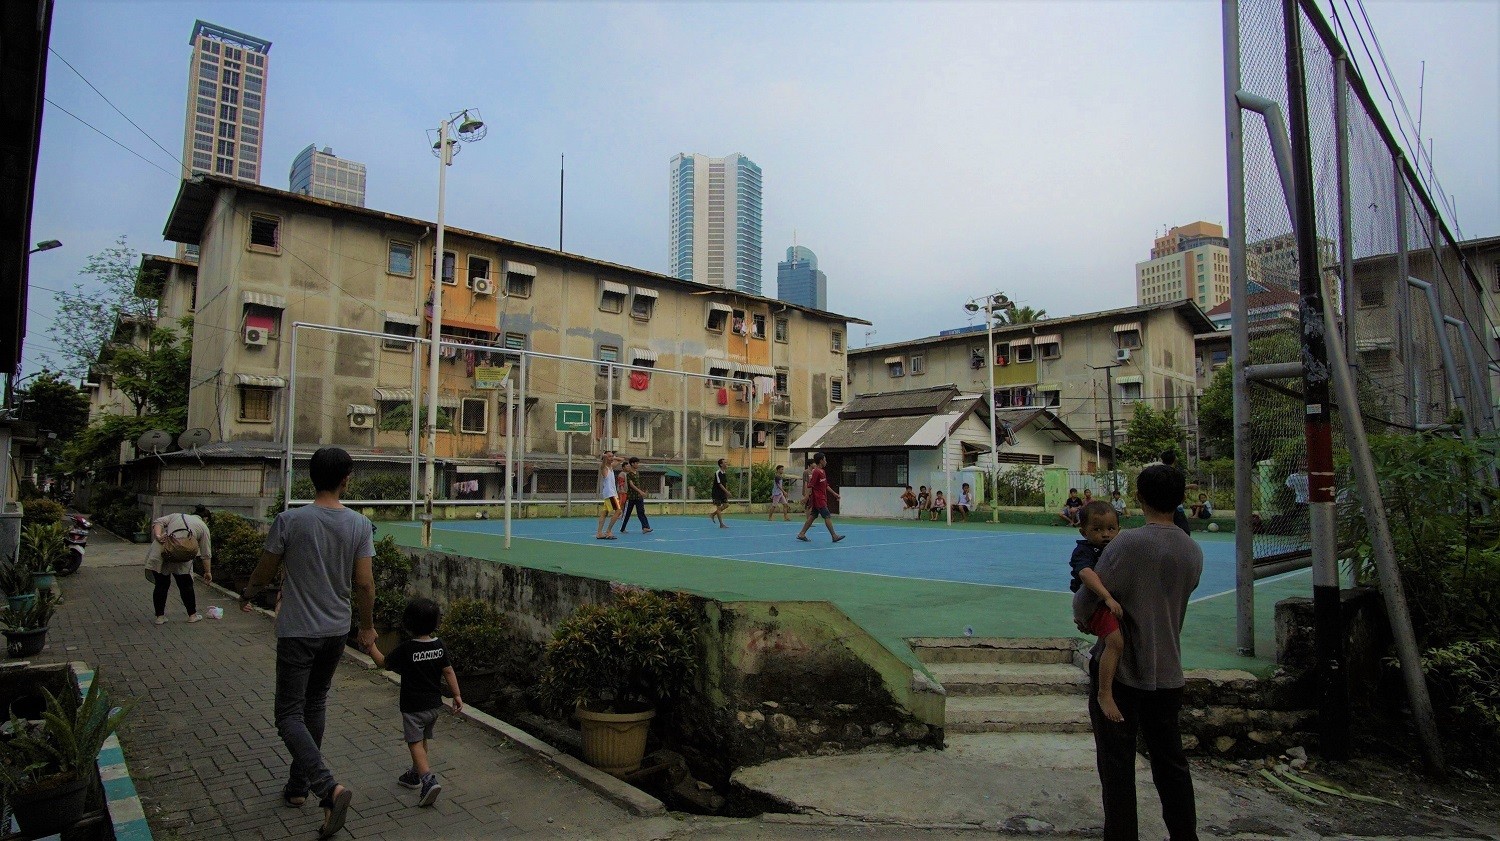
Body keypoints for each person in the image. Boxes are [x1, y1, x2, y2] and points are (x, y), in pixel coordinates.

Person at [242, 446, 375, 840]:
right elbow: (364, 583)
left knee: (288, 714)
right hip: (335, 630)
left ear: (310, 477)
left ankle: (325, 787)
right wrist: (366, 628)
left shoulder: (289, 520)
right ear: (345, 479)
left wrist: (248, 593)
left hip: (298, 630)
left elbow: (264, 572)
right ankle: (297, 788)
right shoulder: (358, 524)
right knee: (314, 704)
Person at [1073, 463, 1203, 841]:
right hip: (1169, 669)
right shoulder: (1192, 550)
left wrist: (1089, 617)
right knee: (1171, 762)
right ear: (1181, 499)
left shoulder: (1127, 543)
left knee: (1116, 763)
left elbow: (1085, 603)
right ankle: (1184, 835)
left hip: (1124, 672)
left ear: (1139, 497)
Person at [365, 598, 463, 809]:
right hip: (434, 706)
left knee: (414, 742)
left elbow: (383, 663)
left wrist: (370, 646)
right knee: (422, 738)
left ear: (407, 624)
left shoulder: (407, 648)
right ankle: (414, 774)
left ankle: (428, 780)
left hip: (413, 707)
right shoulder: (439, 646)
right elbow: (448, 670)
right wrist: (456, 695)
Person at [1068, 501, 1125, 723]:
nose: (1105, 535)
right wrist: (1107, 597)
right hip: (1093, 603)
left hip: (1104, 603)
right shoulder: (1084, 550)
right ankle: (1105, 693)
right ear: (1084, 531)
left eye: (1111, 529)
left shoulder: (1118, 547)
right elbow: (1085, 574)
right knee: (1116, 642)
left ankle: (1101, 659)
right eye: (1097, 529)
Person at [145, 510, 212, 625]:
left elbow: (157, 522)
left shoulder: (176, 516)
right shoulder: (203, 526)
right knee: (185, 585)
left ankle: (160, 617)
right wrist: (207, 572)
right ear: (205, 519)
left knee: (161, 585)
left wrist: (158, 536)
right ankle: (192, 615)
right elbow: (206, 554)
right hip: (182, 556)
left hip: (163, 551)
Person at [795, 452, 844, 543]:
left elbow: (825, 485)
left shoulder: (822, 471)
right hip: (818, 499)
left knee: (813, 516)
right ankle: (834, 536)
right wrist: (806, 497)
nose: (826, 461)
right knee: (827, 516)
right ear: (821, 461)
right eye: (825, 459)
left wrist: (834, 493)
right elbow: (811, 485)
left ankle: (802, 533)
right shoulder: (816, 471)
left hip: (821, 498)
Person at [1159, 450, 1193, 536]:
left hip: (1162, 508)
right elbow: (1178, 489)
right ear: (1174, 459)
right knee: (1185, 532)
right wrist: (1189, 487)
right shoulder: (1176, 474)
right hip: (1175, 508)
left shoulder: (1159, 474)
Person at [619, 457, 653, 534]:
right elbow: (631, 485)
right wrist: (640, 491)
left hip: (638, 497)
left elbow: (638, 484)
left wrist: (642, 491)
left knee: (641, 512)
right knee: (627, 513)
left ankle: (645, 527)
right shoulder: (629, 474)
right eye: (636, 463)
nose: (637, 464)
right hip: (631, 497)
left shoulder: (637, 473)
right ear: (632, 464)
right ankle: (622, 528)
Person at [595, 451, 622, 539]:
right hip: (610, 494)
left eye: (612, 456)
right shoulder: (604, 467)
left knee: (604, 513)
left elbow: (622, 460)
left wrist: (611, 457)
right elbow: (603, 462)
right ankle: (608, 531)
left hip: (611, 493)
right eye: (609, 457)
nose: (612, 458)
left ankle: (599, 533)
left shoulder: (611, 467)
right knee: (618, 511)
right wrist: (605, 457)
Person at [710, 458, 730, 528]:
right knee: (718, 508)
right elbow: (720, 484)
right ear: (721, 464)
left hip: (722, 493)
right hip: (716, 493)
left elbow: (725, 483)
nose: (727, 463)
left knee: (726, 505)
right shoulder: (717, 473)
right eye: (725, 462)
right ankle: (721, 524)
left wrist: (727, 492)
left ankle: (713, 514)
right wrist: (726, 492)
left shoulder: (724, 473)